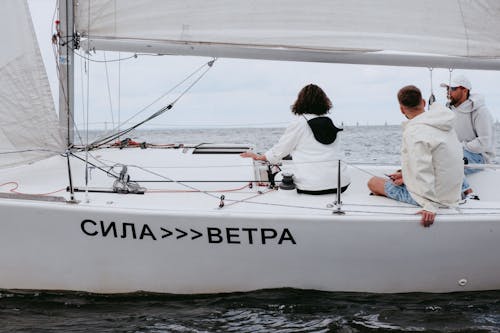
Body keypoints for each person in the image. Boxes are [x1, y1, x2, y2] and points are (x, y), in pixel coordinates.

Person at [367, 85, 463, 227]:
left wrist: (429, 205)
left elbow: (422, 168)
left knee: (373, 183)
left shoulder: (414, 131)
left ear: (401, 109)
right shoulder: (444, 124)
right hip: (453, 193)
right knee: (399, 178)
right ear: (423, 102)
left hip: (435, 199)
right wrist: (405, 176)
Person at [240, 84, 350, 194]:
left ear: (300, 102)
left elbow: (279, 152)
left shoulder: (299, 123)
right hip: (341, 184)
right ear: (324, 102)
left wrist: (259, 157)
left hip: (312, 186)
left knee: (278, 176)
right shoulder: (330, 122)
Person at [440, 74, 496, 199]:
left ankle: (469, 194)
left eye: (452, 89)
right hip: (458, 153)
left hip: (480, 157)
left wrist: (459, 147)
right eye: (447, 89)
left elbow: (484, 142)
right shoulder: (449, 109)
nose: (448, 92)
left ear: (464, 90)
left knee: (448, 160)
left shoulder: (480, 111)